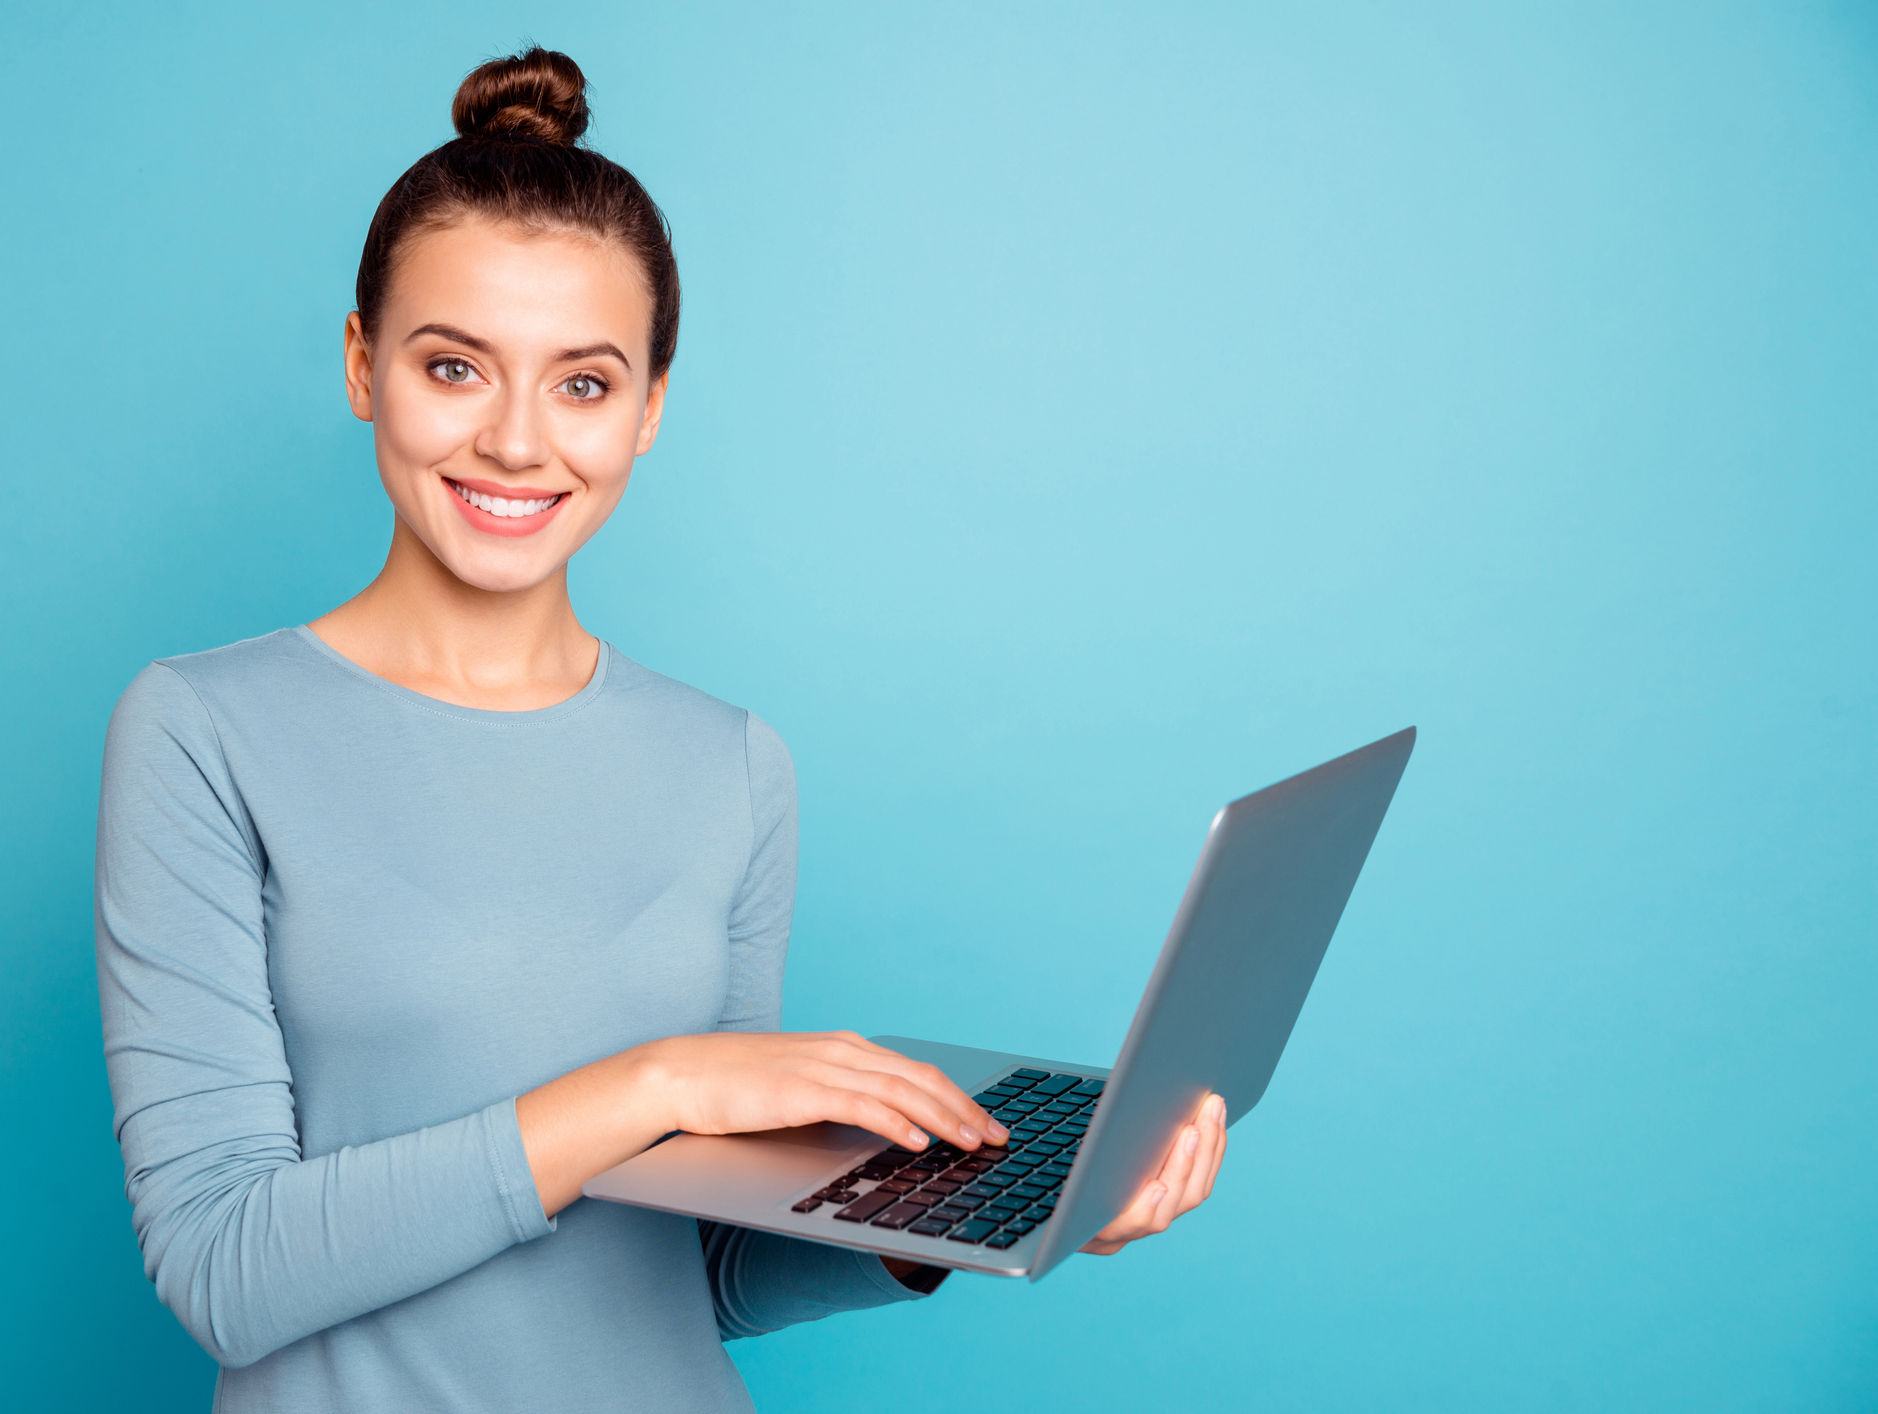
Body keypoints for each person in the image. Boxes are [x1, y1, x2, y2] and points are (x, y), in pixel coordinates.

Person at [94, 46, 1229, 1413]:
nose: (518, 442)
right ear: (361, 364)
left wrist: (980, 1217)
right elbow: (224, 1265)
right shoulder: (205, 732)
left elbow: (694, 1273)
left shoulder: (733, 764)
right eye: (456, 365)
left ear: (650, 410)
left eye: (583, 383)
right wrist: (657, 1083)